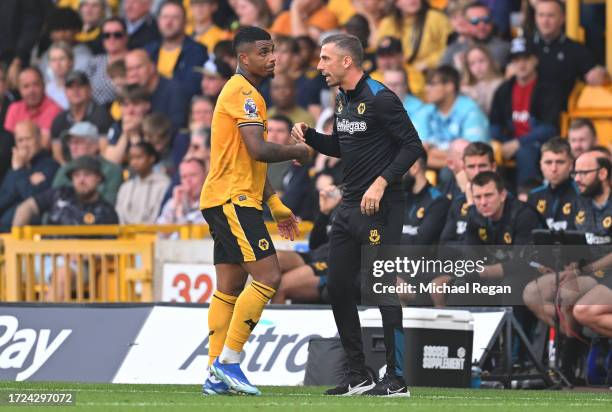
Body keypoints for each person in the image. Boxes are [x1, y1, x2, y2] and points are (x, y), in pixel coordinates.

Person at [292, 33, 424, 396]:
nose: (319, 67)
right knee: (336, 286)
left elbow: (413, 145)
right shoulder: (343, 100)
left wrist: (381, 183)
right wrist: (310, 137)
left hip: (381, 207)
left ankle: (395, 378)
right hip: (350, 205)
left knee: (380, 286)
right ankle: (358, 373)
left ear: (346, 61)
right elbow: (342, 145)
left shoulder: (381, 98)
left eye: (325, 59)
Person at [200, 27, 310, 397]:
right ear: (244, 57)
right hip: (234, 199)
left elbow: (250, 160)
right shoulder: (243, 92)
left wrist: (277, 206)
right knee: (269, 276)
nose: (273, 57)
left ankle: (215, 374)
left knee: (229, 287)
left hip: (226, 196)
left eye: (274, 50)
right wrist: (297, 151)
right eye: (264, 52)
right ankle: (228, 361)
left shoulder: (248, 94)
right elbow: (259, 150)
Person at [12, 155, 119, 301]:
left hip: (78, 264)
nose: (81, 180)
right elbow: (26, 207)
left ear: (98, 178)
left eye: (87, 175)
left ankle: (44, 321)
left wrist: (84, 254)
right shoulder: (60, 193)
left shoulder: (106, 211)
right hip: (45, 256)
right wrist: (15, 236)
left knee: (63, 275)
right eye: (76, 175)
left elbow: (110, 251)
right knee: (9, 264)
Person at [489, 37, 562, 186]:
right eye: (516, 60)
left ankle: (526, 198)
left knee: (526, 153)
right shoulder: (503, 90)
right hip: (508, 144)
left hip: (539, 145)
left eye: (526, 58)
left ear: (535, 60)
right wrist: (498, 143)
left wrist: (518, 143)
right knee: (488, 152)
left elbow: (549, 128)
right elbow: (494, 123)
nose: (521, 64)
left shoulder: (548, 89)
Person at [530, 0, 607, 106]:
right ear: (535, 18)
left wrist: (600, 73)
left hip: (561, 114)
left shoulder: (575, 49)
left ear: (562, 18)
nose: (545, 21)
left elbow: (596, 72)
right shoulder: (524, 46)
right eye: (541, 15)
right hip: (525, 113)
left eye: (550, 16)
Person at [412, 65, 489, 170]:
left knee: (447, 173)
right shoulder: (425, 111)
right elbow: (415, 153)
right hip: (433, 166)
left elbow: (473, 155)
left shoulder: (470, 111)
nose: (426, 89)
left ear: (449, 86)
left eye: (432, 84)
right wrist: (451, 157)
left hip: (466, 172)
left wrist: (431, 153)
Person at [0, 121, 60, 231]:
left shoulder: (51, 166)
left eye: (28, 139)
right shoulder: (14, 167)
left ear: (39, 139)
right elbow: (2, 201)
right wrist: (22, 176)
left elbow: (33, 199)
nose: (24, 145)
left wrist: (18, 172)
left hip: (31, 234)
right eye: (20, 140)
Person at [145, 1, 208, 98]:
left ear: (184, 22)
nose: (169, 22)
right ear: (158, 21)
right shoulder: (148, 51)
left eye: (175, 17)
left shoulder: (197, 51)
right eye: (165, 17)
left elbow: (192, 87)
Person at [52, 121, 122, 205]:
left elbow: (109, 204)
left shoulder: (112, 170)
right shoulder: (64, 170)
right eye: (71, 142)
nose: (73, 147)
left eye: (78, 142)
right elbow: (52, 201)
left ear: (95, 146)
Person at [50, 71, 113, 164]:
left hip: (96, 168)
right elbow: (57, 156)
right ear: (65, 91)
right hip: (68, 170)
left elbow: (105, 153)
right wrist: (69, 171)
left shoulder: (102, 116)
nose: (75, 90)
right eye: (70, 87)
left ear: (90, 89)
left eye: (80, 86)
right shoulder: (59, 120)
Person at [440, 141, 496, 245]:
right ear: (464, 169)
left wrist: (471, 203)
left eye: (482, 166)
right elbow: (444, 245)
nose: (477, 172)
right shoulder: (458, 201)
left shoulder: (501, 200)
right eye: (471, 167)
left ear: (493, 167)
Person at [377, 0, 452, 73]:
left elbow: (450, 48)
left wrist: (428, 63)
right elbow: (381, 54)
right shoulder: (388, 23)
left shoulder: (435, 18)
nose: (412, 0)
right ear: (396, 3)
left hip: (431, 73)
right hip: (396, 74)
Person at [124, 49, 188, 130]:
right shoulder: (129, 91)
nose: (133, 74)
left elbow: (176, 127)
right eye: (129, 69)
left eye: (138, 67)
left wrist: (141, 125)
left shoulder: (174, 90)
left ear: (152, 67)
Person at [526, 138, 579, 231]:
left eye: (560, 162)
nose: (554, 169)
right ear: (540, 165)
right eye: (548, 162)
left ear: (571, 165)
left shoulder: (581, 195)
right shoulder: (534, 196)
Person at [441, 1, 510, 71]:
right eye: (475, 21)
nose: (482, 25)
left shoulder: (505, 49)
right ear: (466, 23)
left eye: (486, 19)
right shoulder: (453, 50)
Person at [4, 67, 63, 149]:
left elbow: (43, 146)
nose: (31, 91)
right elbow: (6, 144)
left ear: (43, 85)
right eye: (26, 86)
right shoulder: (14, 108)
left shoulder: (54, 110)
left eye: (35, 85)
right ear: (19, 90)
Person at [116, 141, 169, 223]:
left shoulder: (163, 184)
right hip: (126, 234)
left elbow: (161, 215)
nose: (134, 162)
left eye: (139, 157)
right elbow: (120, 214)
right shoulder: (125, 187)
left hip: (152, 233)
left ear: (151, 158)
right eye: (131, 158)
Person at [86, 17, 130, 106]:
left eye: (117, 35)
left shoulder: (134, 61)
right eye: (106, 35)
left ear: (126, 37)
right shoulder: (95, 62)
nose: (111, 39)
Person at [157, 157, 208, 225]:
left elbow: (193, 234)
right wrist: (175, 206)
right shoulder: (174, 201)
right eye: (184, 177)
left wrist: (179, 214)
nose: (188, 180)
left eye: (193, 175)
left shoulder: (211, 205)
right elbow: (160, 232)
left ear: (205, 176)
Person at [460, 45, 503, 116]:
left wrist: (475, 98)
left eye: (481, 61)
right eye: (472, 63)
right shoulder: (467, 87)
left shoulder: (499, 84)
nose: (478, 66)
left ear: (490, 61)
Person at [270, 0, 338, 40]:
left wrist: (295, 8)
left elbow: (302, 42)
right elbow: (272, 42)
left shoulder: (327, 15)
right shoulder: (285, 16)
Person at [45, 42, 75, 110]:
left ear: (71, 61)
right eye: (54, 60)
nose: (58, 64)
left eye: (62, 59)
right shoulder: (46, 90)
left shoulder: (80, 88)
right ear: (49, 63)